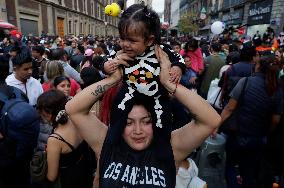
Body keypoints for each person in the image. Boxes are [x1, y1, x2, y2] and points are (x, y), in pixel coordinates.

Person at [66, 45, 221, 187]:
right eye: (128, 123)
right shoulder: (108, 144)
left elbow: (211, 120)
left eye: (146, 122)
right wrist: (113, 79)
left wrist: (168, 84)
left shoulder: (170, 147)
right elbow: (73, 109)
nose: (138, 130)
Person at [102, 4, 186, 129]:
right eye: (122, 38)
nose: (125, 44)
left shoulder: (161, 50)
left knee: (161, 123)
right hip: (129, 92)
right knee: (117, 115)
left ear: (149, 40)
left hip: (157, 95)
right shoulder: (120, 52)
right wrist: (108, 66)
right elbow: (106, 61)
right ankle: (113, 137)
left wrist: (177, 68)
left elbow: (179, 59)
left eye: (132, 40)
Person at [220, 55, 283, 188]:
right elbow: (276, 120)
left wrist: (216, 125)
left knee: (229, 165)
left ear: (258, 66)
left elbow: (230, 108)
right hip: (259, 137)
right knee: (249, 171)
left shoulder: (246, 82)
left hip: (239, 134)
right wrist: (266, 131)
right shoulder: (278, 90)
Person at [36, 90, 93, 188]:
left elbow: (51, 176)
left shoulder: (55, 139)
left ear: (48, 113)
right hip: (84, 173)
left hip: (67, 181)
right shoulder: (76, 120)